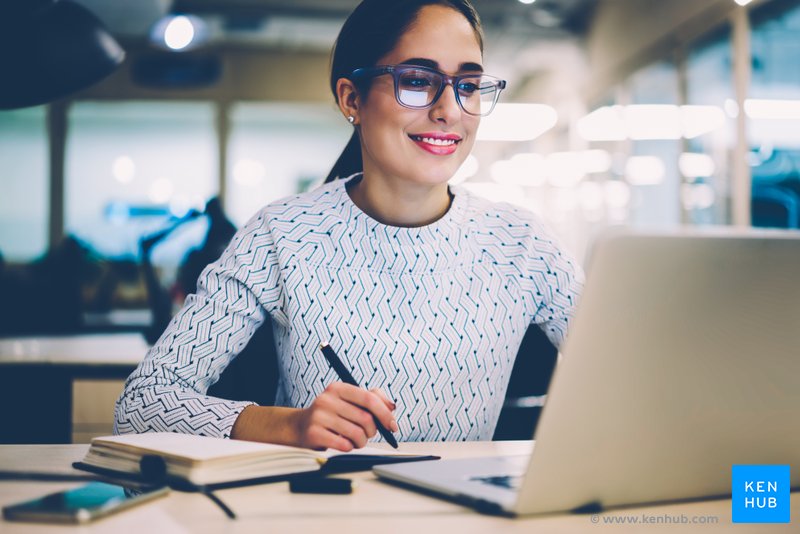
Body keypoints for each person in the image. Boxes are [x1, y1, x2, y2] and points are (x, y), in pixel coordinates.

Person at [114, 0, 584, 451]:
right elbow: (142, 402)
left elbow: (638, 377)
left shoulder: (523, 245)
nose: (450, 109)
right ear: (351, 98)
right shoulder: (283, 234)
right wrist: (286, 425)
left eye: (467, 86)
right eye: (418, 80)